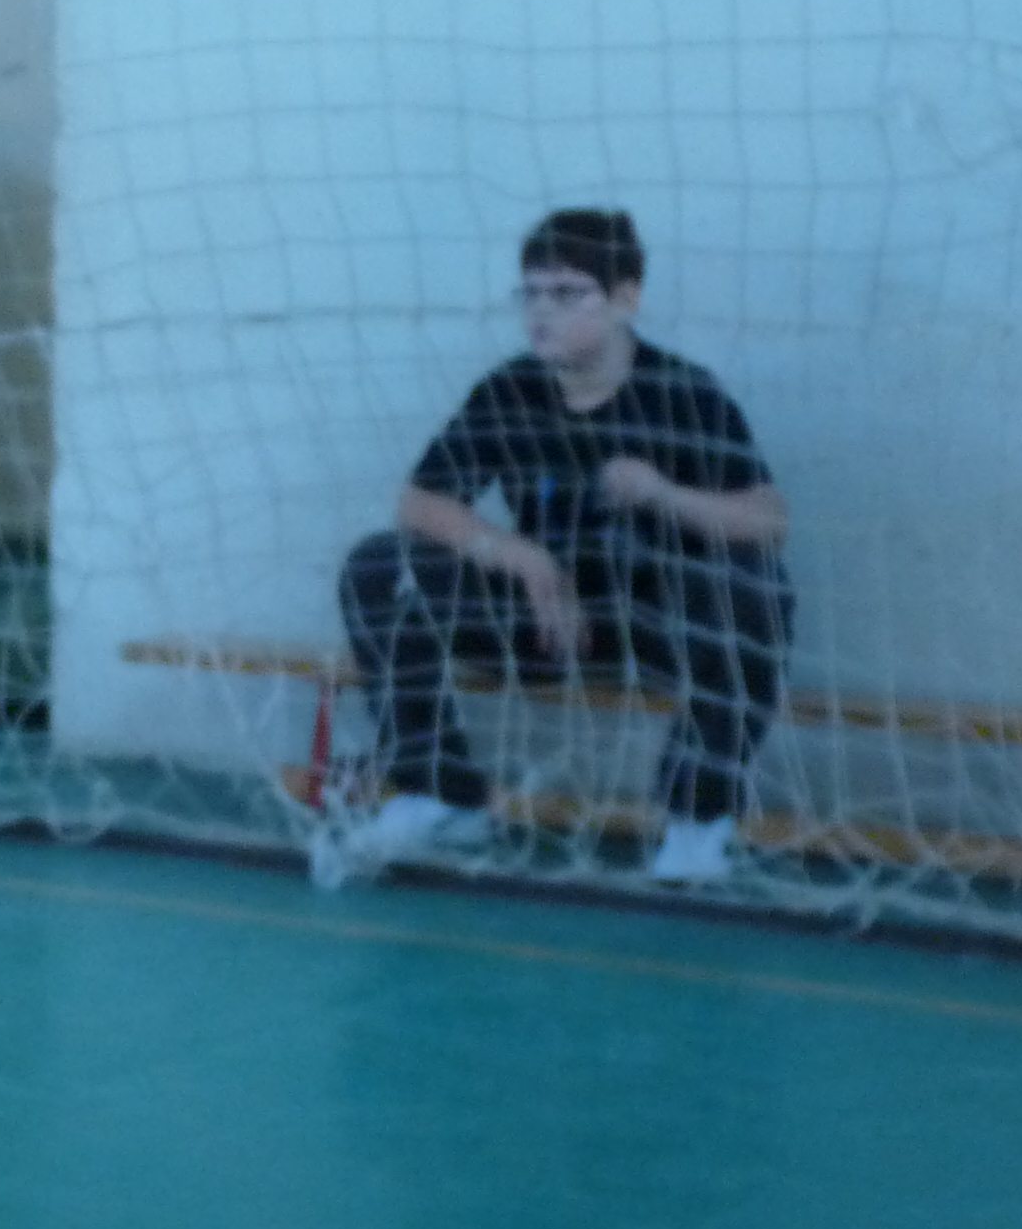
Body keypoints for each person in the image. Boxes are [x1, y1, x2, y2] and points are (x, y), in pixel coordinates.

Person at [335, 208, 791, 885]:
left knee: (751, 585)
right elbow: (419, 502)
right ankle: (440, 793)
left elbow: (768, 520)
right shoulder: (511, 391)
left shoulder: (683, 393)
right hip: (543, 620)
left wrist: (665, 495)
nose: (541, 312)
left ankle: (698, 820)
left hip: (654, 628)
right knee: (379, 566)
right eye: (531, 294)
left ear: (625, 298)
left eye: (567, 294)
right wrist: (520, 557)